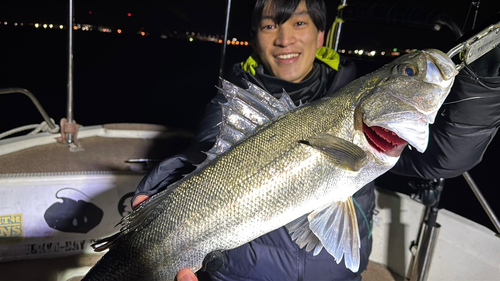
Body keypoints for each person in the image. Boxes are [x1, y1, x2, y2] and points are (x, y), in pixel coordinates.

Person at [134, 0, 500, 280]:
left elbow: (447, 157)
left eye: (299, 23)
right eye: (268, 25)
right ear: (255, 37)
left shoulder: (357, 98)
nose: (284, 39)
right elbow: (207, 151)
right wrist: (167, 182)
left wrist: (486, 86)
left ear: (320, 34)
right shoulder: (233, 103)